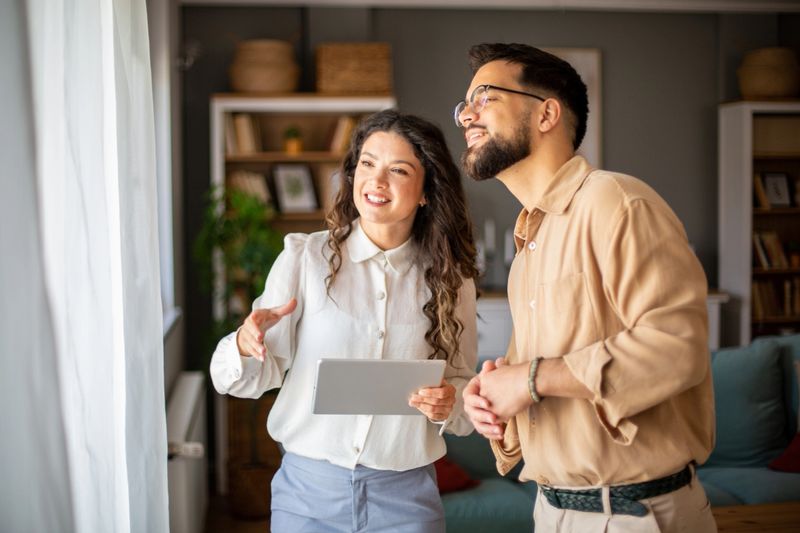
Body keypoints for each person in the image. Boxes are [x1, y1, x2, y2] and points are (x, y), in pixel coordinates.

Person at [457, 43, 716, 532]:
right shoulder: (527, 243)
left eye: (484, 97)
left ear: (547, 113)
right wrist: (495, 402)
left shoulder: (617, 202)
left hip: (633, 517)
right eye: (463, 105)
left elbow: (679, 347)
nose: (466, 116)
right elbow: (535, 387)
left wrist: (530, 378)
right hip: (552, 512)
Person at [210, 109, 479, 533]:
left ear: (427, 190)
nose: (377, 180)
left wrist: (451, 402)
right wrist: (245, 345)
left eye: (399, 170)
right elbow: (246, 380)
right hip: (307, 495)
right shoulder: (304, 258)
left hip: (407, 498)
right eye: (367, 164)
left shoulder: (453, 279)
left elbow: (464, 392)